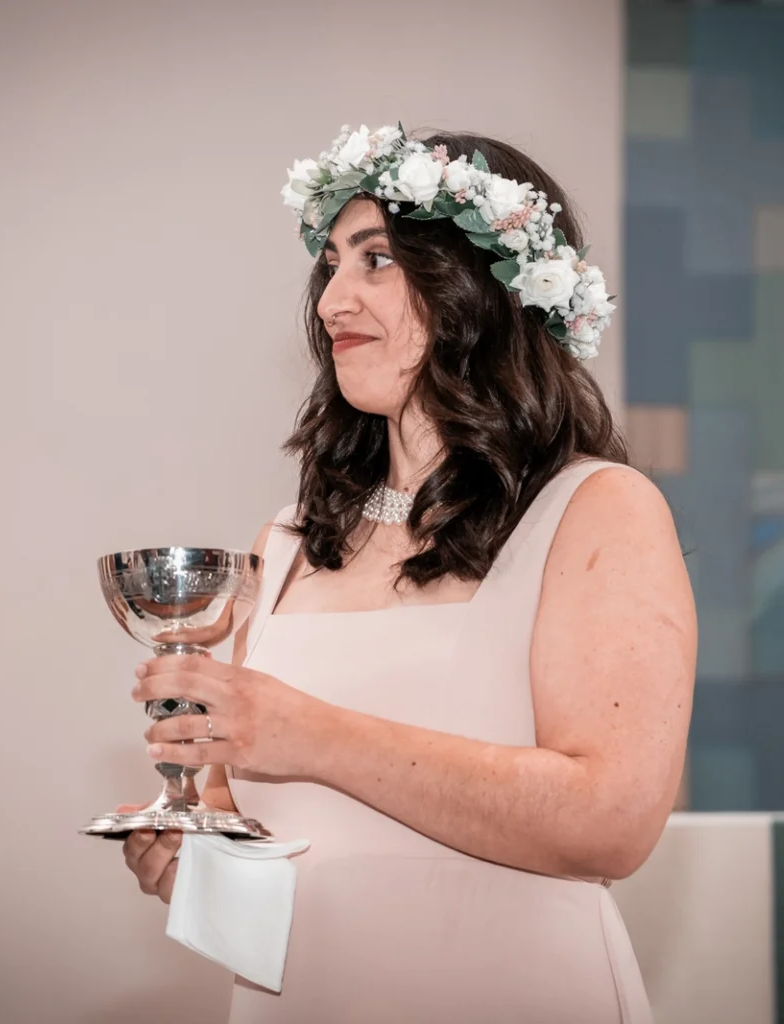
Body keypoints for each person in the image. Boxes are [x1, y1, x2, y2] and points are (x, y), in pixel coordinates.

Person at [120, 124, 696, 1022]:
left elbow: (610, 822)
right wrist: (197, 855)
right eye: (331, 267)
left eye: (376, 259)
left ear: (480, 286)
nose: (332, 301)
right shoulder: (283, 545)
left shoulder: (595, 510)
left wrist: (313, 733)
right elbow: (279, 822)